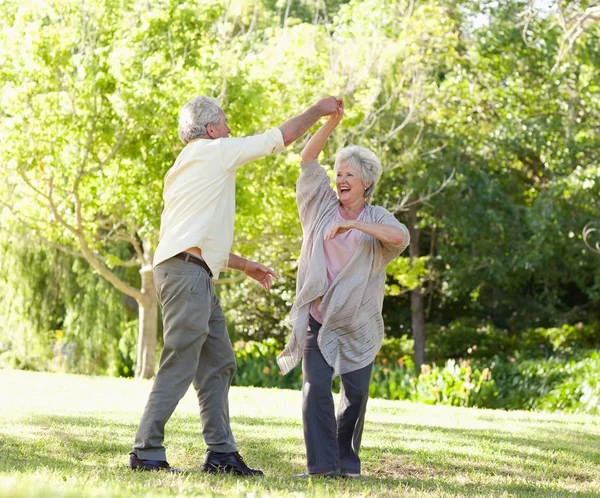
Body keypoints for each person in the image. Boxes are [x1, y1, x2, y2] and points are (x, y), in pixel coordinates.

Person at [128, 95, 343, 475]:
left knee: (219, 362)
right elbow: (278, 138)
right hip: (187, 275)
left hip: (192, 272)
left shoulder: (183, 167)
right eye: (225, 123)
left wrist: (244, 265)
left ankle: (221, 454)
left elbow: (195, 235)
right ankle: (146, 452)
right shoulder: (215, 152)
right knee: (180, 361)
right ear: (211, 130)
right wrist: (316, 111)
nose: (230, 130)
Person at [277, 104, 410, 479]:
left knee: (356, 396)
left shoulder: (376, 218)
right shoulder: (321, 206)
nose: (340, 179)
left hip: (357, 321)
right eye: (338, 173)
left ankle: (346, 464)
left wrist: (357, 229)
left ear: (366, 183)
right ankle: (322, 467)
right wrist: (330, 122)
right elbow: (307, 159)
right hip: (318, 316)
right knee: (314, 387)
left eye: (349, 174)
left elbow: (401, 237)